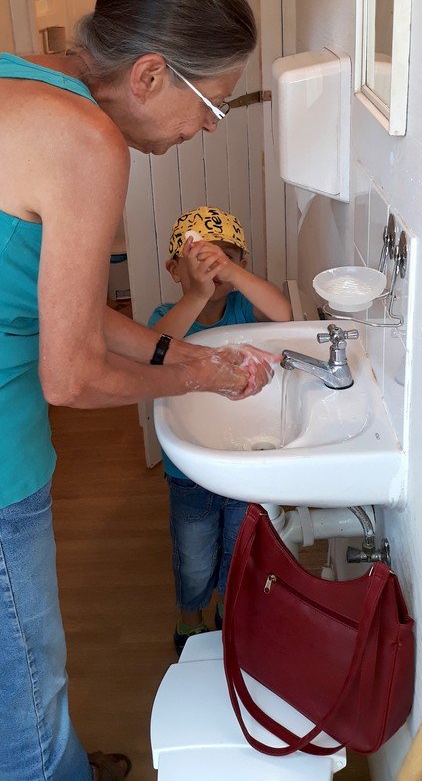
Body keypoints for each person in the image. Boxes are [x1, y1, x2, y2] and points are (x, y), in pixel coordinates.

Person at [0, 0, 278, 781]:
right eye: (212, 105)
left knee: (28, 681)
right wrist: (197, 376)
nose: (207, 128)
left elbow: (51, 304)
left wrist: (172, 350)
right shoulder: (86, 140)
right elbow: (72, 375)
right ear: (151, 75)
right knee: (26, 696)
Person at [148, 207, 292, 654]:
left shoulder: (243, 308)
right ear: (174, 270)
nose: (212, 269)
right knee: (193, 557)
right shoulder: (166, 315)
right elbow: (155, 351)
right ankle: (190, 617)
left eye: (225, 258)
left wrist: (231, 273)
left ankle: (230, 612)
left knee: (237, 549)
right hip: (188, 471)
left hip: (240, 458)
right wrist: (197, 294)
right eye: (198, 261)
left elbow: (284, 313)